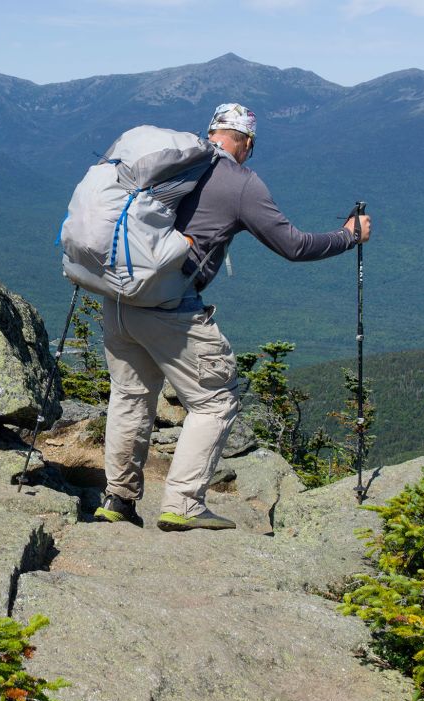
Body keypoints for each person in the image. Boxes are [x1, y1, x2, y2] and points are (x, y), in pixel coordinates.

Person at [93, 102, 372, 531]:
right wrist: (348, 236)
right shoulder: (239, 182)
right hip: (169, 305)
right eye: (251, 149)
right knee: (215, 399)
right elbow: (293, 245)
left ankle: (118, 499)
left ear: (212, 134)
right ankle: (184, 503)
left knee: (131, 397)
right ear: (245, 143)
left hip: (117, 295)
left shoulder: (173, 165)